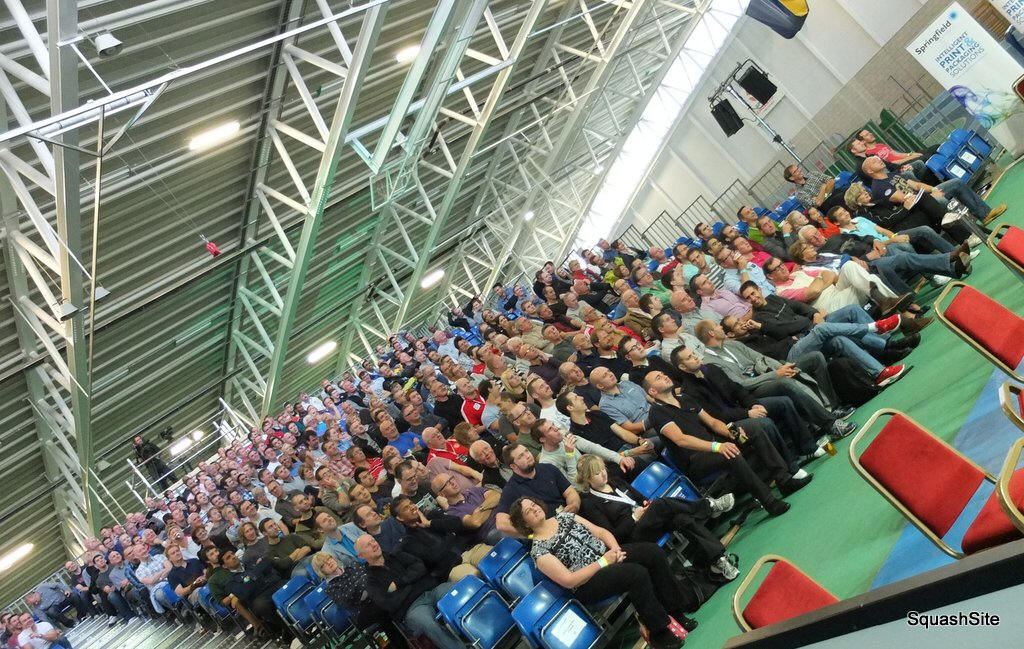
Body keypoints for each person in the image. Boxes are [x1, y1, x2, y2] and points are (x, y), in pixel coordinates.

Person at [508, 498, 691, 649]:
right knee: (636, 573)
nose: (534, 509)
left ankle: (675, 611)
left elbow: (600, 532)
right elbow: (569, 580)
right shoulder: (539, 551)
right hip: (587, 582)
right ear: (524, 523)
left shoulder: (564, 516)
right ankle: (659, 633)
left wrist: (616, 550)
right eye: (528, 511)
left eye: (534, 504)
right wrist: (603, 562)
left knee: (653, 553)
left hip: (608, 555)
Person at [643, 370, 809, 516]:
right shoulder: (657, 413)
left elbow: (713, 423)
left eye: (663, 374)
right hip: (694, 460)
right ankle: (769, 502)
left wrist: (731, 432)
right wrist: (717, 446)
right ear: (652, 391)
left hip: (712, 445)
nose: (665, 376)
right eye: (658, 377)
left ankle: (784, 480)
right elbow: (681, 440)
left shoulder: (685, 399)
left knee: (753, 429)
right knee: (729, 453)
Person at [575, 454, 737, 580]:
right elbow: (613, 536)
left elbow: (640, 499)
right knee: (660, 504)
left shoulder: (616, 481)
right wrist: (634, 518)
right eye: (597, 473)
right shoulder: (590, 504)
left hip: (649, 520)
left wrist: (646, 504)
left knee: (680, 518)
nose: (603, 474)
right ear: (588, 479)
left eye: (603, 469)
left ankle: (718, 560)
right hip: (633, 537)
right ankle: (709, 506)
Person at [355, 534, 465, 649]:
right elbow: (389, 604)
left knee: (459, 589)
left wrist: (399, 584)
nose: (374, 544)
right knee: (427, 623)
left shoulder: (396, 555)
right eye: (368, 545)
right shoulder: (371, 582)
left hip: (432, 590)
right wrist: (412, 582)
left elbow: (420, 567)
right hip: (412, 608)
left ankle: (475, 633)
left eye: (373, 540)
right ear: (361, 556)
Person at [494, 443, 580, 536]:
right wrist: (534, 533)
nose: (527, 456)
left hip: (570, 517)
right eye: (520, 456)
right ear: (513, 466)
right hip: (550, 532)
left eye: (526, 451)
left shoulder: (548, 468)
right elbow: (501, 524)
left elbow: (570, 492)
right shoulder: (511, 489)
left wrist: (573, 505)